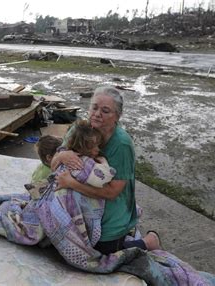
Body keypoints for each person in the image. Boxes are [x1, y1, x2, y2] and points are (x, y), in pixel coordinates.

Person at [52, 86, 161, 254]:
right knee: (56, 236)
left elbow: (112, 193)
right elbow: (54, 166)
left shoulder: (121, 144)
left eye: (105, 111)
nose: (97, 114)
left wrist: (72, 183)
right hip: (79, 200)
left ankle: (148, 241)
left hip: (112, 204)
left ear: (117, 116)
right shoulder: (78, 129)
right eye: (94, 107)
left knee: (99, 252)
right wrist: (62, 155)